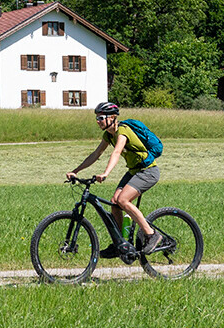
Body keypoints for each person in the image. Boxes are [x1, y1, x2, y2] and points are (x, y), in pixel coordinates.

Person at [67, 101, 161, 256]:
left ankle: (152, 235)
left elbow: (116, 152)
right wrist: (75, 171)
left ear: (112, 117)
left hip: (148, 171)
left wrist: (106, 173)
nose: (98, 121)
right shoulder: (108, 135)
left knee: (123, 200)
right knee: (115, 203)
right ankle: (120, 244)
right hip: (134, 171)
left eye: (101, 118)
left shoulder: (123, 131)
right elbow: (96, 154)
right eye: (96, 118)